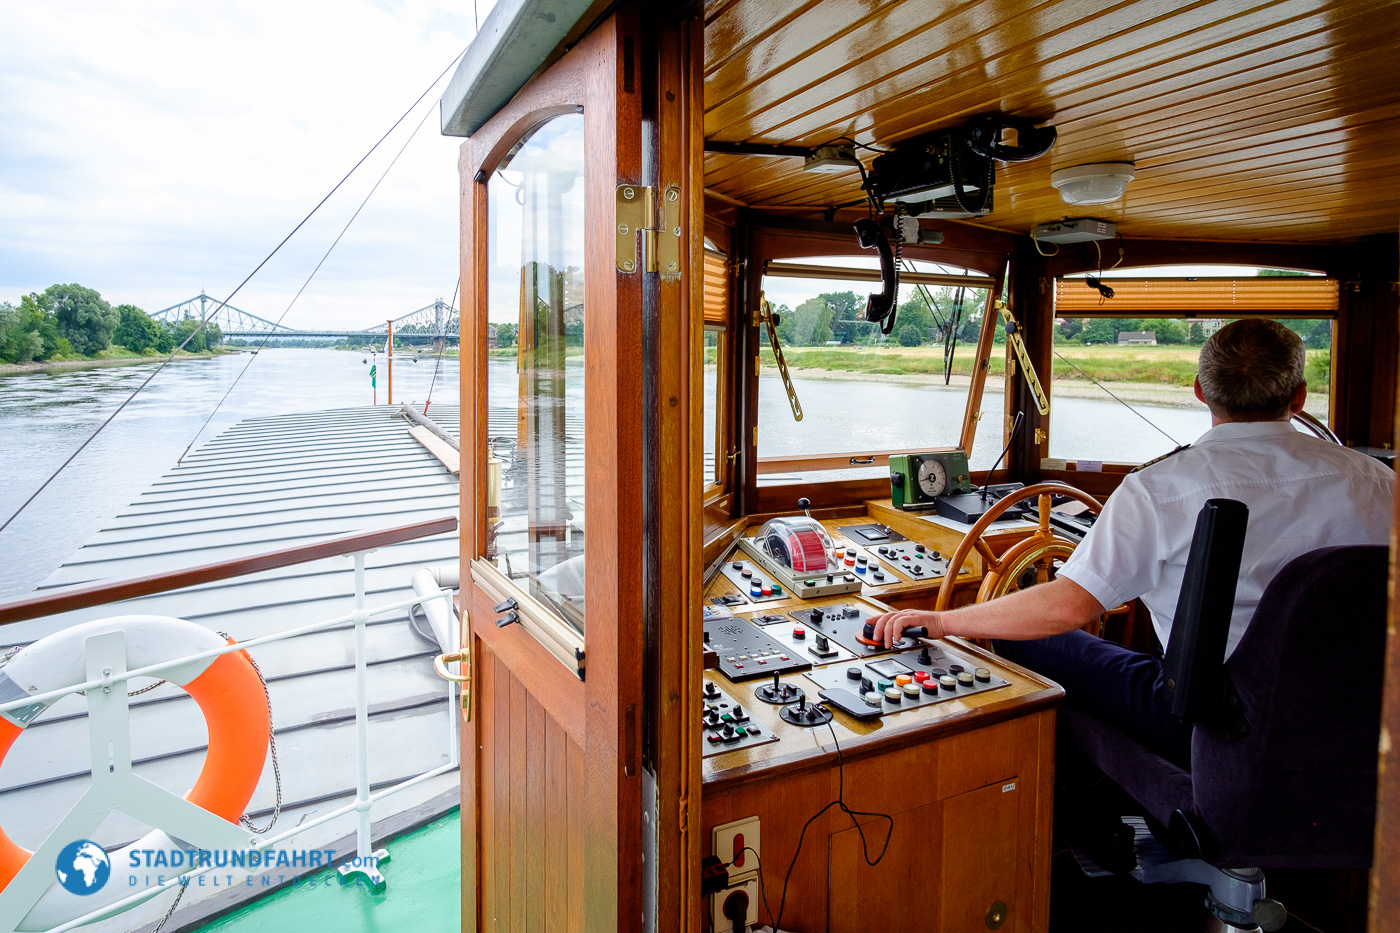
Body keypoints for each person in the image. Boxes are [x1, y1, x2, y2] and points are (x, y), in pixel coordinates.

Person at [868, 319, 1394, 768]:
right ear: (1299, 396)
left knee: (1020, 639)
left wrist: (942, 621)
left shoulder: (1161, 488)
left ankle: (1077, 818)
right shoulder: (1379, 483)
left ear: (1199, 391)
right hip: (1352, 717)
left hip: (1215, 725)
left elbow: (1069, 605)